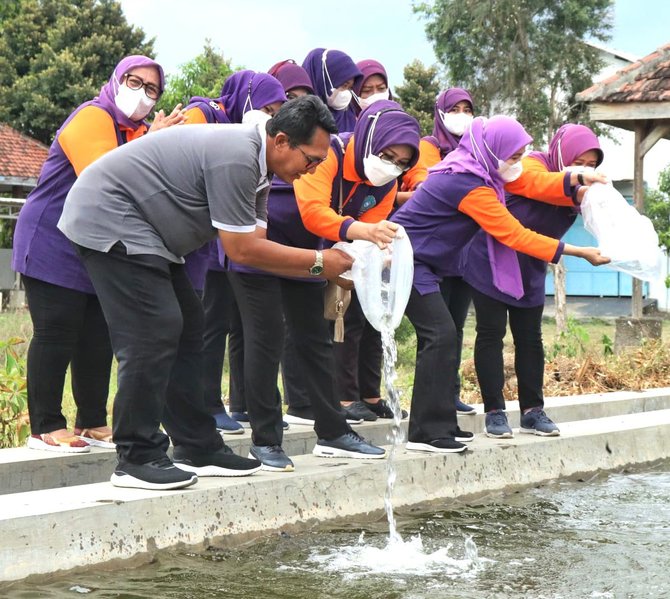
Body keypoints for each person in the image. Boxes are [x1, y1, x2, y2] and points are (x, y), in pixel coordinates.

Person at [57, 95, 354, 490]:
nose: (313, 169)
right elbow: (241, 249)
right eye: (311, 160)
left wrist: (323, 264)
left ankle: (197, 445)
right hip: (111, 216)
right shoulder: (238, 157)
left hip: (151, 234)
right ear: (281, 141)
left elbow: (257, 245)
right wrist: (321, 262)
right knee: (155, 329)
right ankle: (136, 455)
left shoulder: (262, 172)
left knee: (188, 325)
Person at [391, 115, 610, 454]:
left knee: (444, 336)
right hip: (403, 259)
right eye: (513, 157)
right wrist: (578, 251)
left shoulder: (476, 173)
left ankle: (441, 423)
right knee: (441, 335)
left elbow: (533, 185)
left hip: (423, 263)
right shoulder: (469, 185)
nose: (517, 164)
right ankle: (425, 433)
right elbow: (513, 233)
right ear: (492, 152)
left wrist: (579, 179)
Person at [13, 55, 184, 453]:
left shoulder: (137, 130)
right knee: (57, 331)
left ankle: (91, 420)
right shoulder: (93, 117)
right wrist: (152, 140)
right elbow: (102, 176)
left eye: (152, 89)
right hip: (51, 239)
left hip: (95, 246)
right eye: (134, 81)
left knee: (97, 335)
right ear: (115, 79)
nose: (142, 93)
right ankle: (45, 426)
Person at [462, 124, 604, 438]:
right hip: (492, 259)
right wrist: (578, 180)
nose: (586, 169)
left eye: (592, 165)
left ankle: (532, 412)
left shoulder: (582, 191)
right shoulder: (529, 166)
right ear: (563, 154)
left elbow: (595, 210)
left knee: (530, 338)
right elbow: (540, 184)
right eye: (580, 160)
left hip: (532, 264)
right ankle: (495, 412)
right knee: (491, 333)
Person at [182, 70, 287, 435]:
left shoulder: (258, 144)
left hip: (228, 245)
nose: (270, 116)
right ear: (244, 99)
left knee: (222, 324)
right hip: (198, 245)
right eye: (266, 107)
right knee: (206, 325)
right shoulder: (204, 115)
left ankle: (217, 402)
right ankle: (205, 404)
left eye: (277, 110)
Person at [400, 88, 478, 416]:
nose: (461, 114)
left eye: (467, 108)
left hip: (465, 254)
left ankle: (450, 393)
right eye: (454, 108)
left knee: (456, 328)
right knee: (437, 330)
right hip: (433, 253)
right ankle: (432, 404)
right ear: (441, 113)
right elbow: (424, 177)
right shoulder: (428, 146)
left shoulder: (477, 148)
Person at [333, 59, 404, 422]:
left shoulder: (388, 175)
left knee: (375, 319)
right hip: (333, 247)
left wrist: (377, 245)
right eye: (366, 90)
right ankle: (345, 398)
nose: (375, 96)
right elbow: (316, 210)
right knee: (345, 322)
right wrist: (360, 237)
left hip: (364, 246)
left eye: (382, 88)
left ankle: (370, 393)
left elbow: (380, 214)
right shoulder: (339, 147)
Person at [302, 48, 362, 132]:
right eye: (344, 85)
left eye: (350, 88)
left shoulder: (352, 118)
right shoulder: (300, 121)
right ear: (323, 81)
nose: (347, 93)